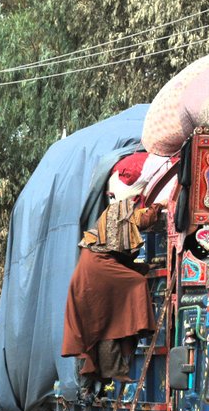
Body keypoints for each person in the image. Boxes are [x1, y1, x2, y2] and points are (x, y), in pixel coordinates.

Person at [62, 152, 163, 385]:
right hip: (98, 268)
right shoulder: (120, 212)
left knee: (107, 323)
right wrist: (159, 206)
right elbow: (144, 219)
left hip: (92, 271)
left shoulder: (113, 218)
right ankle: (143, 327)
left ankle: (114, 368)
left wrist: (144, 266)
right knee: (136, 284)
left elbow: (122, 257)